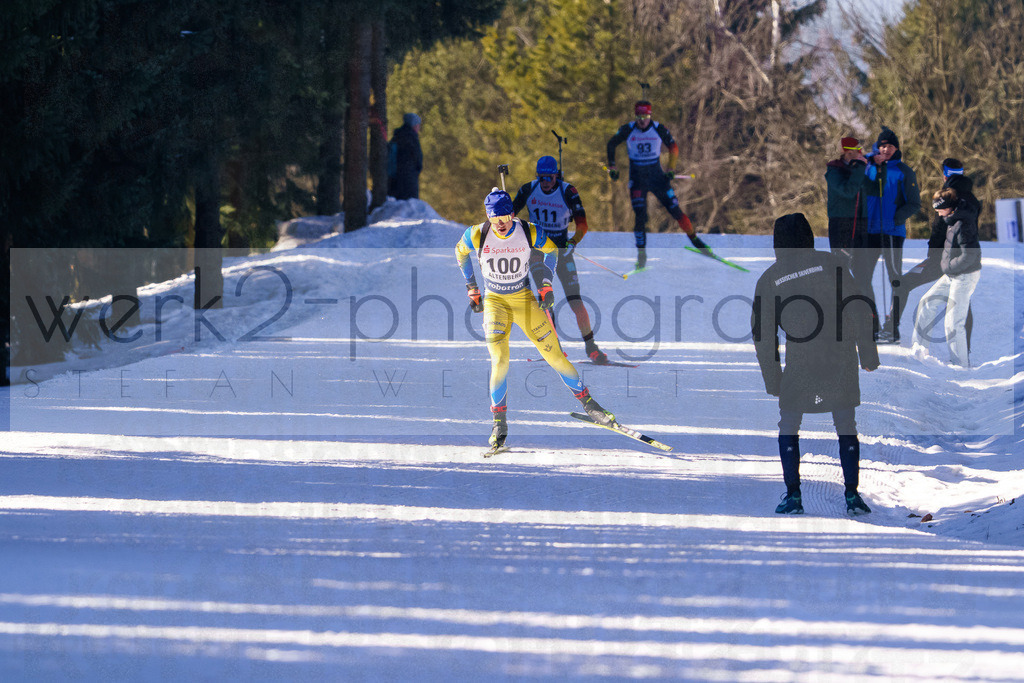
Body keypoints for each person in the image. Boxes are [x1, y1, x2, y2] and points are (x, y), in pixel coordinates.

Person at [456, 188, 616, 450]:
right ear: (488, 216)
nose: (502, 224)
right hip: (495, 301)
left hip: (523, 299)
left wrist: (545, 283)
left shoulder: (528, 231)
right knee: (500, 359)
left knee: (555, 356)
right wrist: (471, 287)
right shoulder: (476, 233)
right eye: (495, 219)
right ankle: (499, 422)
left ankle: (590, 405)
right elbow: (459, 252)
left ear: (512, 213)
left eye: (506, 217)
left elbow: (552, 251)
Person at [752, 213, 879, 515]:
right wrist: (868, 354)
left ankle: (793, 496)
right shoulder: (833, 264)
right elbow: (859, 310)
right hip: (841, 358)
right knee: (846, 425)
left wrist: (773, 379)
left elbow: (763, 335)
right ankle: (851, 495)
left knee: (789, 426)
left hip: (800, 362)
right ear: (809, 236)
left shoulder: (769, 279)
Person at [512, 156, 608, 364]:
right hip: (537, 251)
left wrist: (573, 242)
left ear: (556, 174)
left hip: (562, 251)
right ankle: (554, 349)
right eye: (542, 177)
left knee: (575, 300)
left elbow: (583, 225)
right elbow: (509, 215)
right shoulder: (528, 189)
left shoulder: (567, 191)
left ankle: (592, 347)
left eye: (550, 177)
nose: (546, 181)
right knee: (545, 298)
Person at [879, 158, 978, 345]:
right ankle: (965, 352)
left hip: (942, 259)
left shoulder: (947, 196)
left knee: (903, 284)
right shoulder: (971, 198)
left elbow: (942, 229)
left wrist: (934, 253)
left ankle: (891, 330)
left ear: (944, 175)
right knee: (963, 303)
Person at [606, 100, 710, 270]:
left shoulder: (658, 128)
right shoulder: (628, 129)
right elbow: (612, 143)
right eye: (639, 116)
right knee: (640, 216)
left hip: (657, 178)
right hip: (637, 179)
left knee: (675, 210)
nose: (642, 120)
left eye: (645, 116)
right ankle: (641, 256)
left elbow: (673, 147)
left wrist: (671, 168)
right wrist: (612, 166)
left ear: (650, 115)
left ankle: (697, 241)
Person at [851, 127, 921, 337]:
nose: (886, 149)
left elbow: (914, 203)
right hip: (868, 232)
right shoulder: (866, 167)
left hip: (892, 232)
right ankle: (871, 324)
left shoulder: (904, 171)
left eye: (890, 145)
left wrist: (896, 218)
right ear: (877, 146)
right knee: (861, 277)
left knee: (895, 280)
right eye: (882, 145)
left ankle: (892, 327)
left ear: (896, 148)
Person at [911, 186, 982, 367]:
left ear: (949, 206)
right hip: (952, 274)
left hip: (965, 275)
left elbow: (970, 254)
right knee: (926, 302)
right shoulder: (952, 219)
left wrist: (949, 266)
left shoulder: (963, 223)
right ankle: (918, 351)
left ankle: (960, 366)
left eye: (939, 208)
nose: (937, 212)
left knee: (953, 322)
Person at [824, 136, 868, 268]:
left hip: (861, 223)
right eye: (858, 149)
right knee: (841, 266)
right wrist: (860, 168)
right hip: (841, 223)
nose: (861, 153)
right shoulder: (834, 171)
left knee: (862, 269)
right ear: (848, 152)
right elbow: (848, 191)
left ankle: (860, 289)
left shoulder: (859, 169)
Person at [388, 113, 423, 200]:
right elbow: (417, 157)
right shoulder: (412, 138)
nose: (419, 127)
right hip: (409, 178)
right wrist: (418, 169)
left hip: (394, 178)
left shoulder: (397, 136)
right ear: (414, 125)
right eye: (418, 125)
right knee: (409, 204)